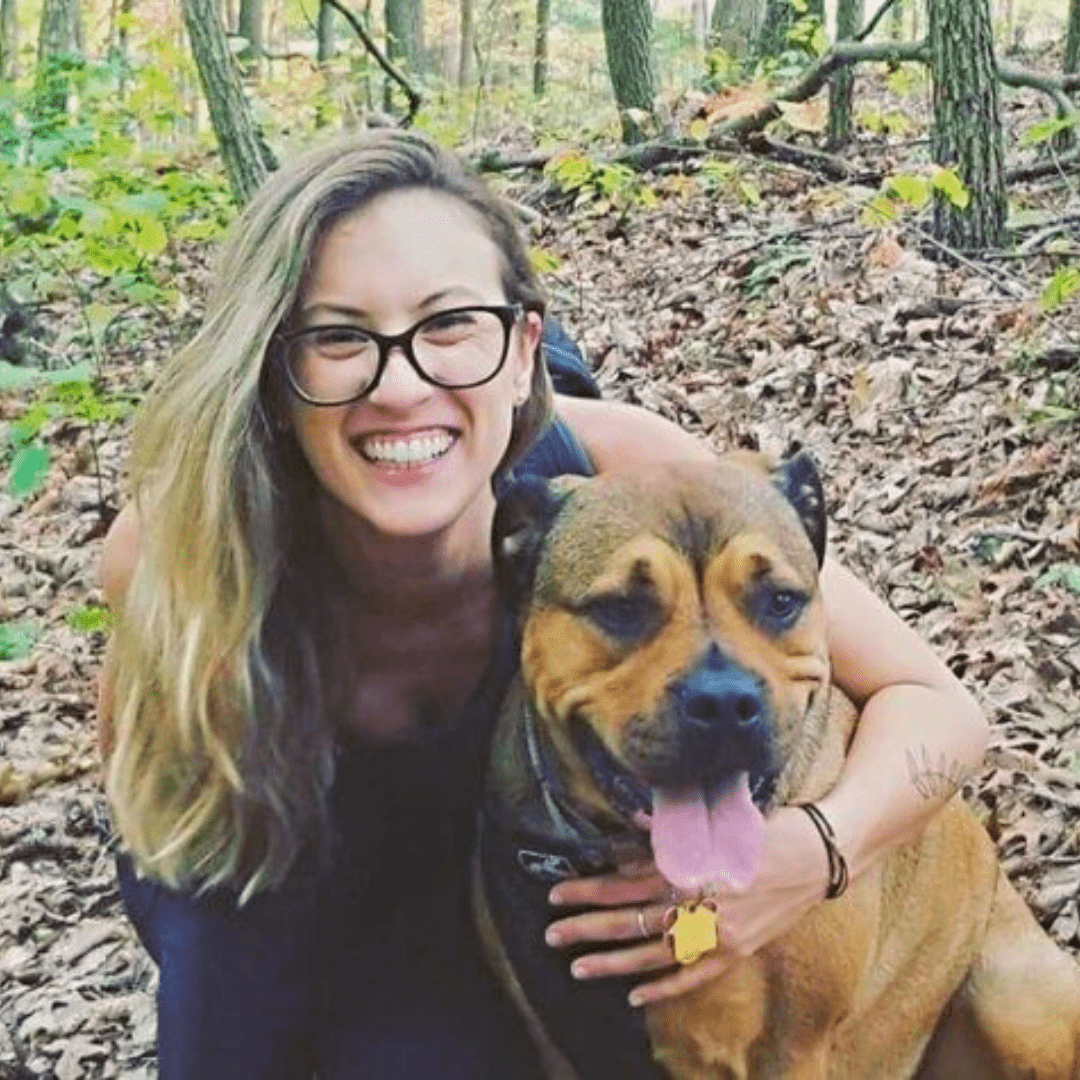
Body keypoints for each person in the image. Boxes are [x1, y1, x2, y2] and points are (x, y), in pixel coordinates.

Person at [96, 129, 989, 1080]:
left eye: (451, 326)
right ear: (275, 372)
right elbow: (147, 805)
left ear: (524, 348)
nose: (402, 387)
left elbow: (945, 711)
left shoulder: (625, 481)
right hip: (265, 868)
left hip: (495, 880)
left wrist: (817, 850)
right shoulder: (188, 544)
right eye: (339, 337)